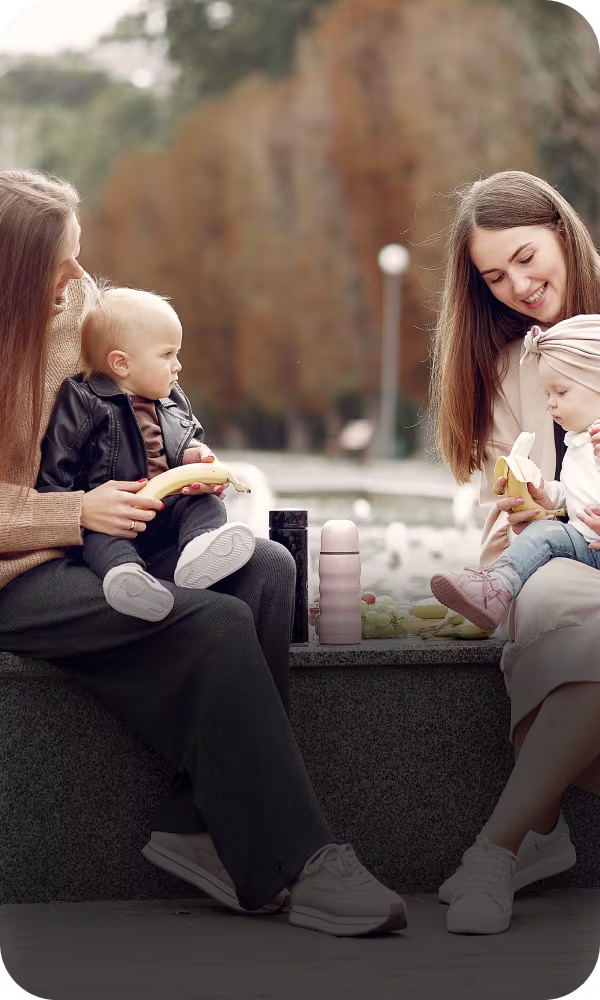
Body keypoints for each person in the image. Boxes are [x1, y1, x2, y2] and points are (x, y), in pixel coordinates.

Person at [0, 168, 407, 937]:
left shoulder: (76, 310)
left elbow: (139, 392)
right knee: (213, 623)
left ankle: (197, 827)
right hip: (18, 576)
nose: (83, 279)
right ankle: (298, 863)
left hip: (104, 532)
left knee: (268, 571)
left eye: (81, 256)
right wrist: (73, 510)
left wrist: (183, 457)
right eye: (63, 263)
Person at [430, 169, 600, 935]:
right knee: (567, 617)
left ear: (563, 232)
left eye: (528, 258)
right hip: (558, 548)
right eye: (495, 276)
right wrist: (523, 498)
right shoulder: (509, 365)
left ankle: (512, 841)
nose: (519, 286)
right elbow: (510, 493)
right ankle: (512, 843)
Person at [36, 285, 256, 622]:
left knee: (203, 503)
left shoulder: (171, 398)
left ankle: (199, 550)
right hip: (112, 517)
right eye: (167, 355)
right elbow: (57, 470)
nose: (178, 365)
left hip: (164, 508)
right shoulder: (83, 399)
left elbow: (189, 437)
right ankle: (126, 578)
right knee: (101, 540)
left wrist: (196, 456)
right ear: (121, 363)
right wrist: (77, 505)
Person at [431, 316, 600, 631]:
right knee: (543, 533)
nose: (550, 404)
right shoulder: (576, 438)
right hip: (585, 543)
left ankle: (494, 589)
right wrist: (548, 496)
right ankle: (495, 588)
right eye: (547, 393)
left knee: (545, 536)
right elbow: (580, 489)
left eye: (560, 392)